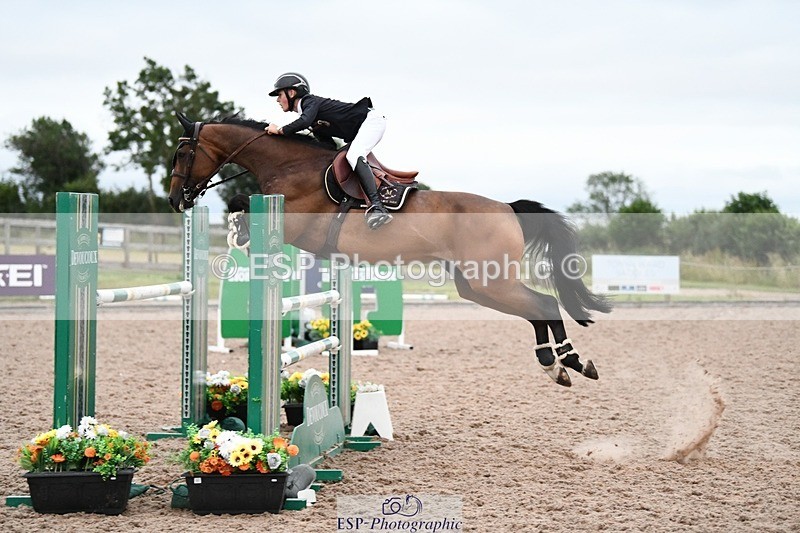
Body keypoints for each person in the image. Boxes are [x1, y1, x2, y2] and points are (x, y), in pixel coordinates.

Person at [266, 72, 392, 230]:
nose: (278, 100)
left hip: (372, 121)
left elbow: (303, 122)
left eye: (279, 95)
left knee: (354, 155)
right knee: (342, 158)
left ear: (291, 93)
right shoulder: (312, 117)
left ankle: (377, 207)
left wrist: (280, 130)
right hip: (364, 126)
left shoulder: (308, 101)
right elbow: (329, 147)